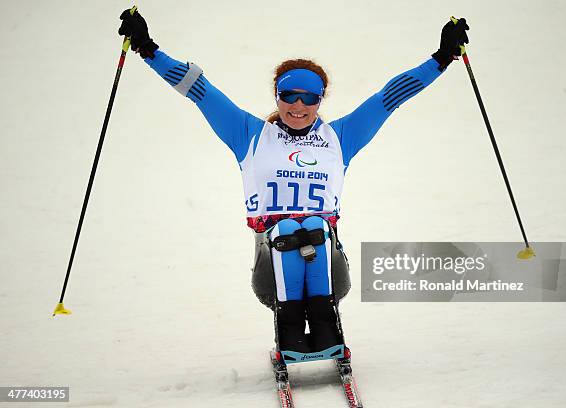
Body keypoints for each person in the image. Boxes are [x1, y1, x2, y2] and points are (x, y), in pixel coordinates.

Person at [118, 10, 469, 354]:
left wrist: (442, 58)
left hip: (331, 271)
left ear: (319, 100)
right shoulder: (251, 136)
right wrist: (148, 49)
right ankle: (288, 331)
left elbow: (390, 97)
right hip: (270, 273)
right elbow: (200, 90)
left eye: (309, 98)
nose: (298, 105)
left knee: (314, 224)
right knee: (287, 227)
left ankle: (325, 326)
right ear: (278, 96)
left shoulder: (339, 138)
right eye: (289, 96)